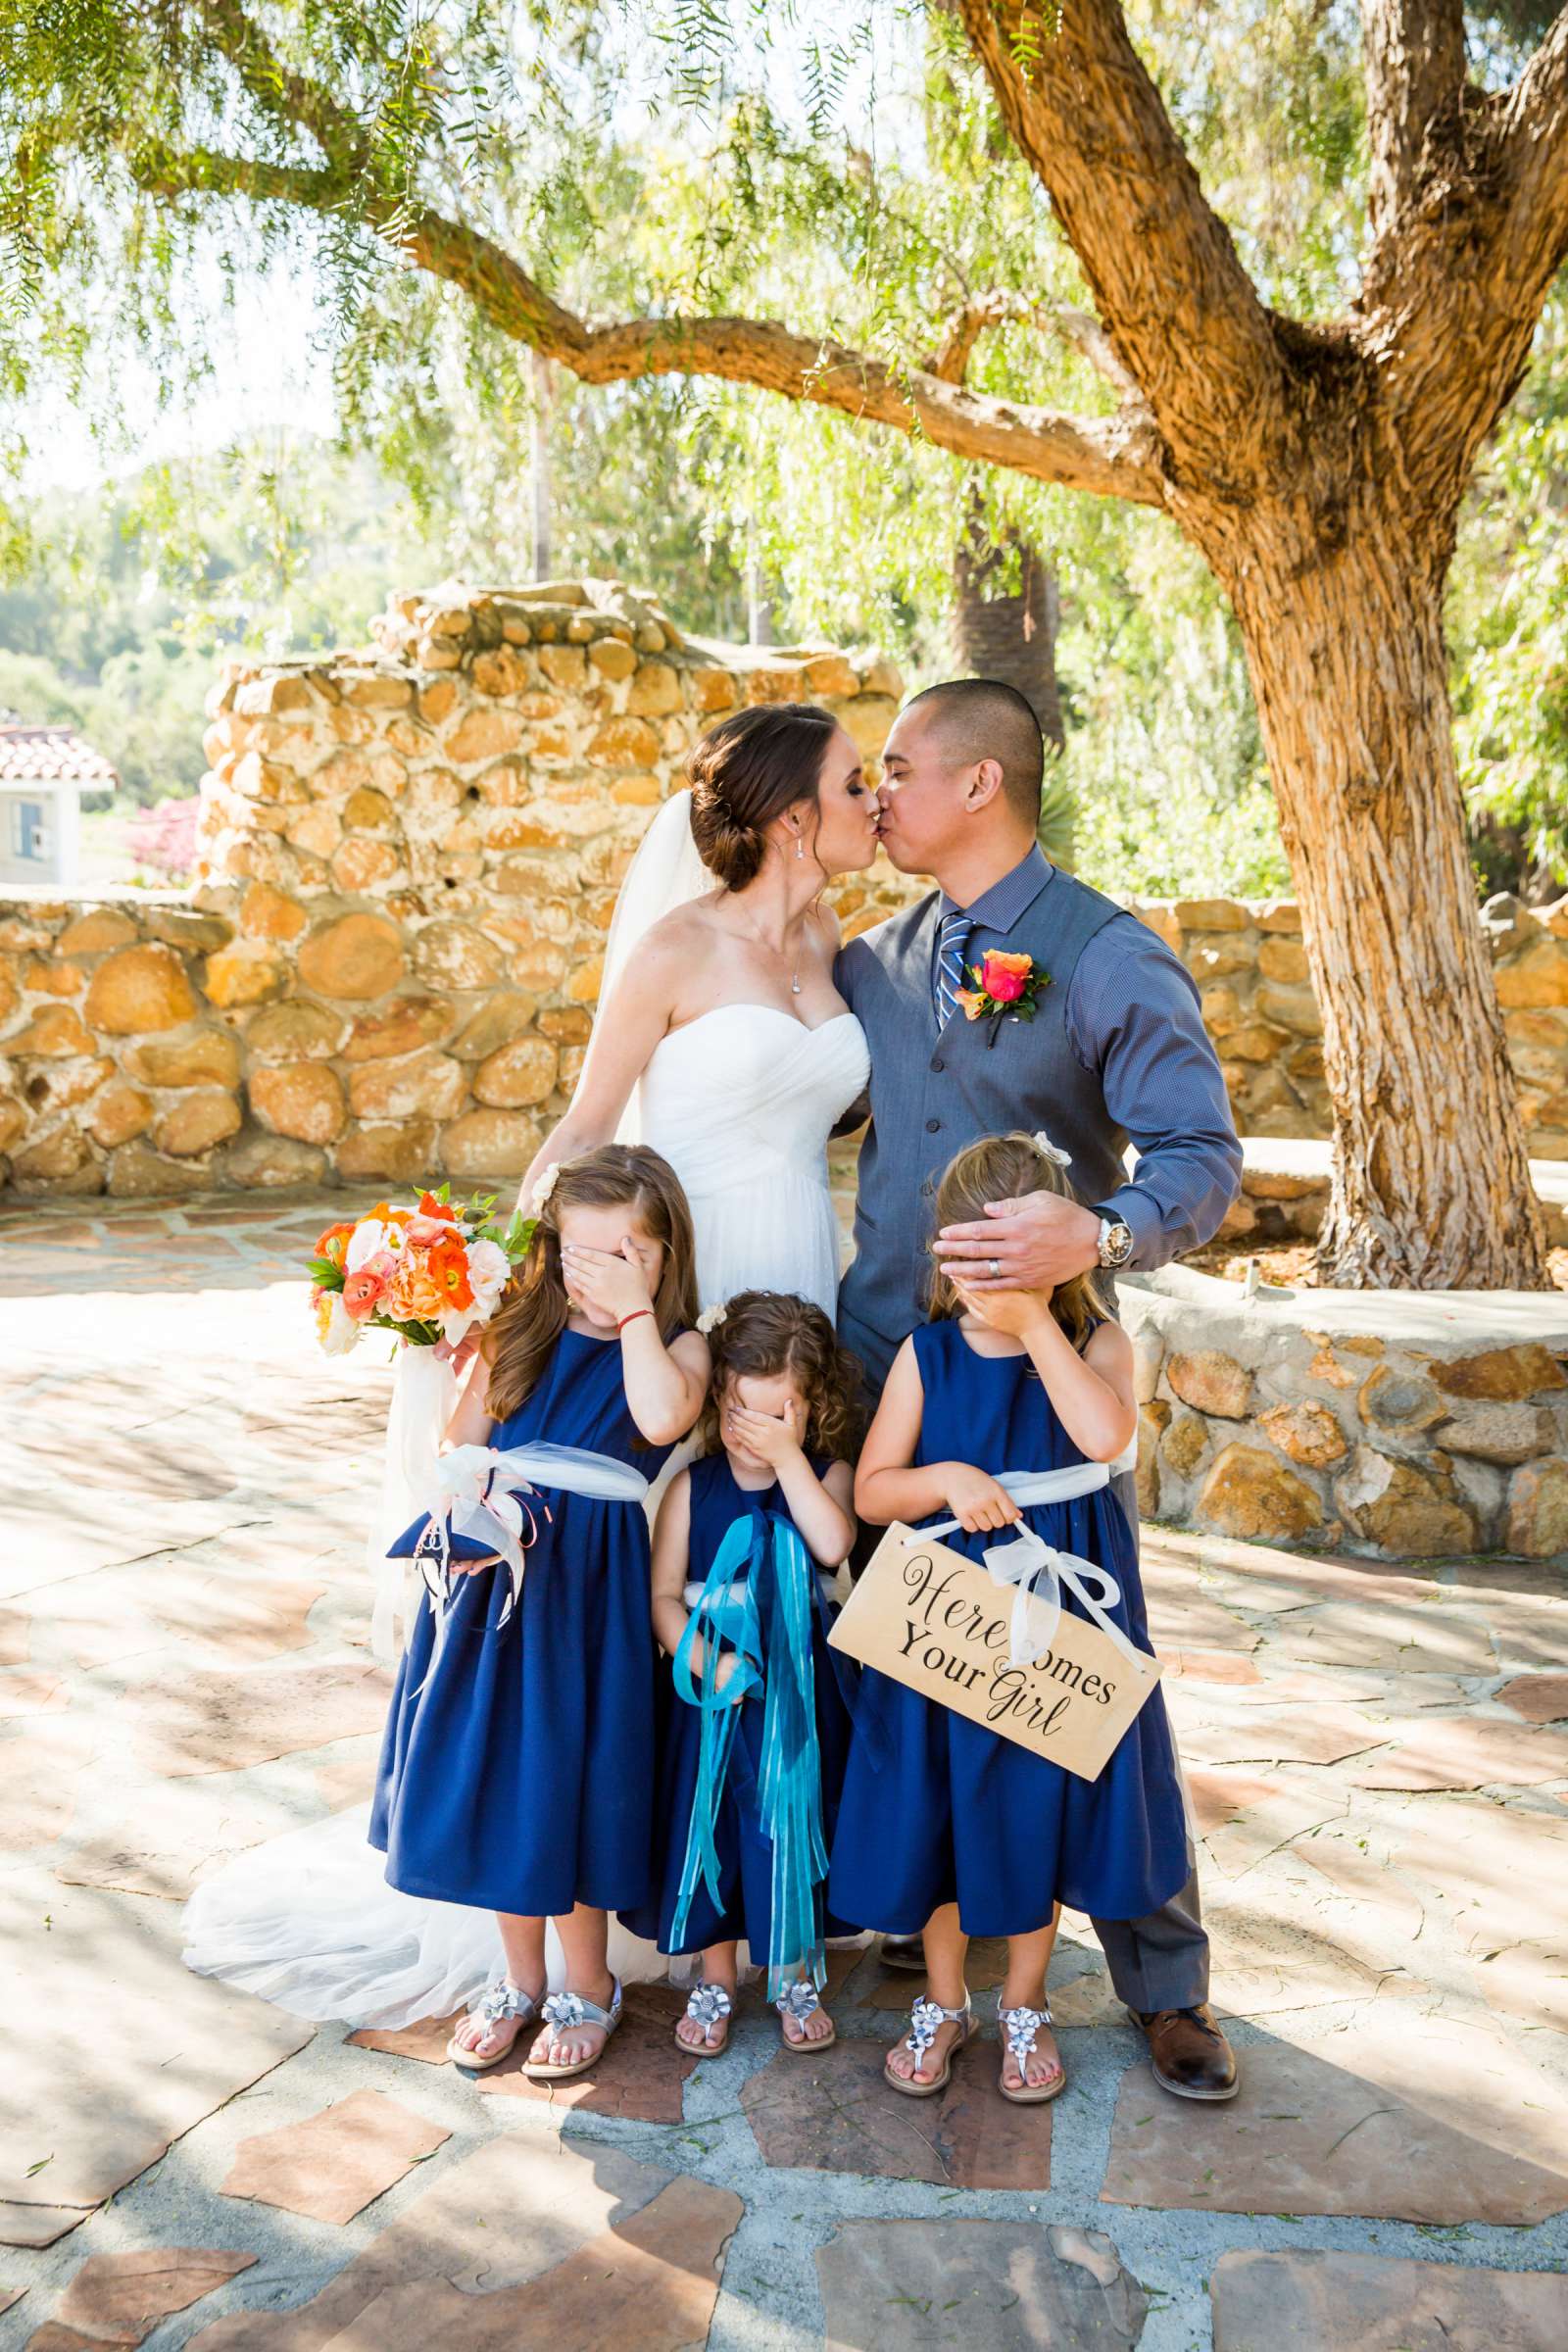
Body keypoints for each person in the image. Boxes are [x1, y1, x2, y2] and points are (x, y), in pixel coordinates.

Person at [835, 677, 1245, 2103]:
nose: (876, 795)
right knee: (905, 1674)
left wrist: (1105, 1231)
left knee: (1091, 1679)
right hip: (886, 1363)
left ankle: (1163, 1980)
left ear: (980, 788)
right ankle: (922, 1929)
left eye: (895, 769)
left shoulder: (1109, 955)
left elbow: (1202, 1156)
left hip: (1038, 1379)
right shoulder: (869, 962)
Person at [829, 1132, 1190, 2105]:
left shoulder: (1092, 1343)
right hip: (947, 1619)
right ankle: (945, 1999)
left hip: (1056, 1613)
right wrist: (944, 1477)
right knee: (943, 1808)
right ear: (946, 1255)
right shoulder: (927, 1354)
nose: (994, 1281)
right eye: (976, 1260)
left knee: (1035, 1804)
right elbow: (871, 1493)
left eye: (1014, 1261)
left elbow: (1105, 1435)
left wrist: (1035, 1326)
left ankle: (1024, 2002)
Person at [514, 703, 878, 1319]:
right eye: (853, 786)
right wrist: (506, 1275)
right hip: (695, 1260)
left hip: (803, 1250)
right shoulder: (673, 949)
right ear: (793, 817)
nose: (875, 802)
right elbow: (586, 1127)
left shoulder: (824, 935)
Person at [623, 1291, 862, 2057]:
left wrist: (792, 1459)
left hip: (799, 1695)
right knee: (717, 1827)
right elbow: (664, 1598)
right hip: (712, 1697)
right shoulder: (693, 1489)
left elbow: (830, 1548)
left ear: (810, 1407)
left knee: (789, 1823)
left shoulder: (828, 1475)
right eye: (737, 1410)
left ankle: (791, 1971)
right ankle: (716, 1974)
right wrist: (706, 1663)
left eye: (776, 1415)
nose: (752, 1433)